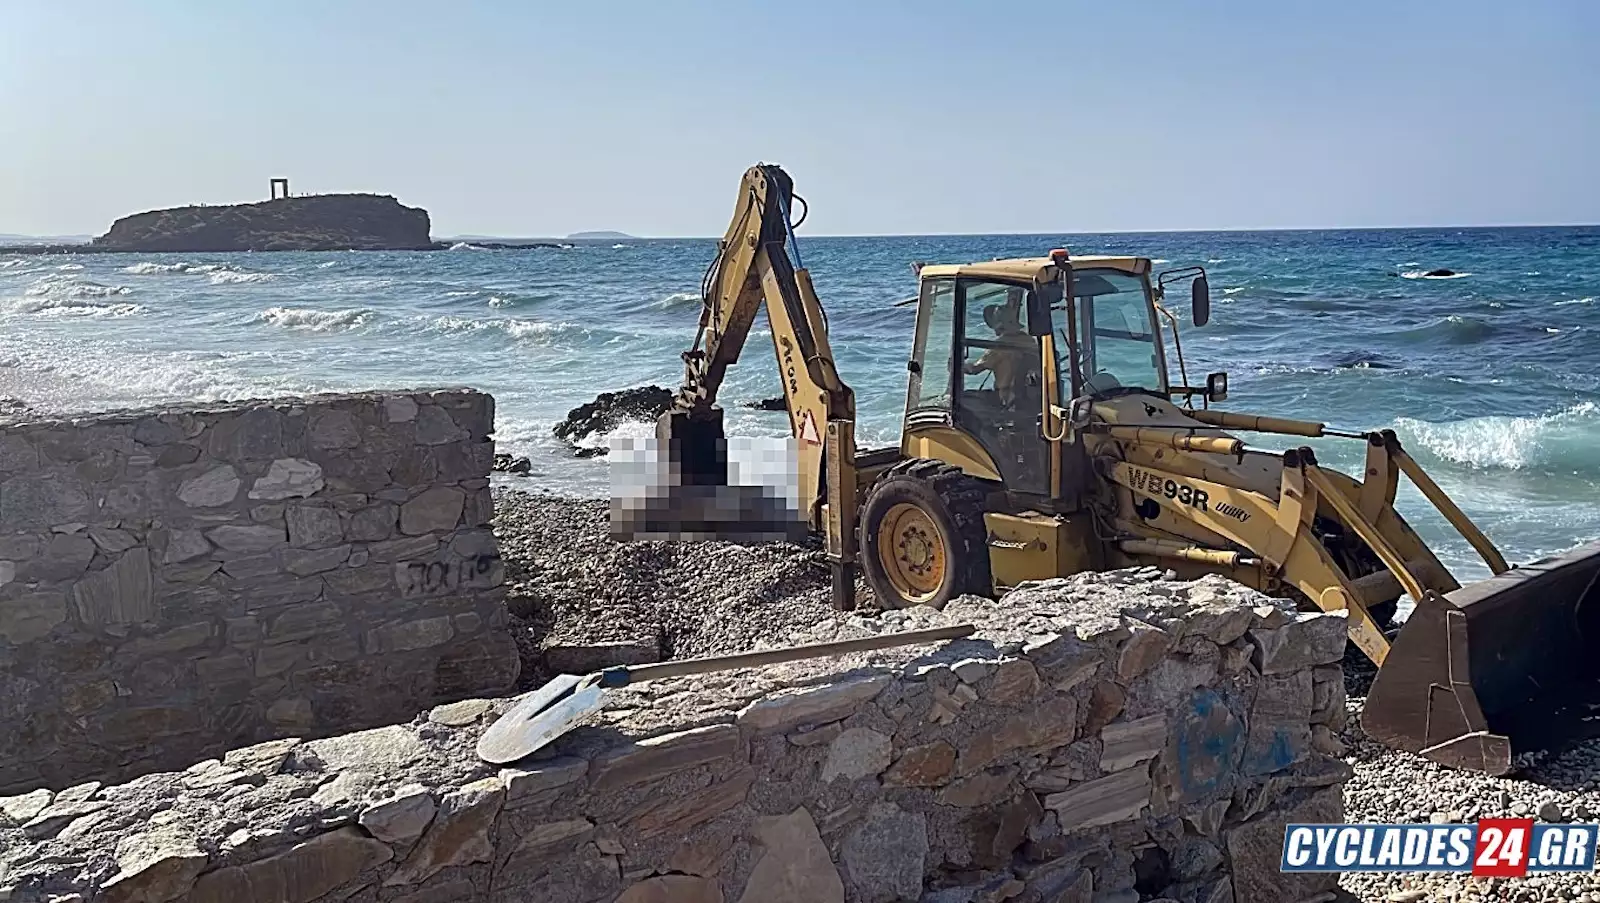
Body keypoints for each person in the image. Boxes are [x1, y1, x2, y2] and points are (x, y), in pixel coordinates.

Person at [963, 300, 1036, 409]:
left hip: (1005, 400)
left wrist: (957, 365)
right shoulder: (1030, 341)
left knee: (963, 400)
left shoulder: (999, 346)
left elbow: (974, 370)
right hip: (1028, 398)